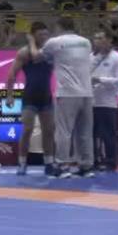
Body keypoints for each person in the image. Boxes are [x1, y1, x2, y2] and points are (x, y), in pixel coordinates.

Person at [38, 15, 95, 178]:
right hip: (87, 93)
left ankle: (62, 165)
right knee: (85, 132)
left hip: (67, 93)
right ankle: (86, 166)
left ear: (59, 27)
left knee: (64, 131)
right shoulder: (86, 42)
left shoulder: (55, 42)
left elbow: (39, 56)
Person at [4, 22, 57, 176]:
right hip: (30, 97)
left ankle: (49, 163)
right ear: (33, 36)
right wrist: (9, 95)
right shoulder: (24, 52)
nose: (44, 37)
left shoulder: (50, 52)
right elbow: (12, 74)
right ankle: (22, 163)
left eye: (46, 34)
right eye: (41, 35)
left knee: (49, 131)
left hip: (46, 96)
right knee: (27, 130)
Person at [90, 30, 118, 172]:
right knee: (91, 134)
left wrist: (100, 80)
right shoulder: (90, 57)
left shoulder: (117, 58)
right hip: (90, 101)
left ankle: (111, 162)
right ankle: (93, 161)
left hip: (107, 103)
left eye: (100, 38)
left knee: (108, 134)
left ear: (109, 40)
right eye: (95, 38)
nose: (97, 41)